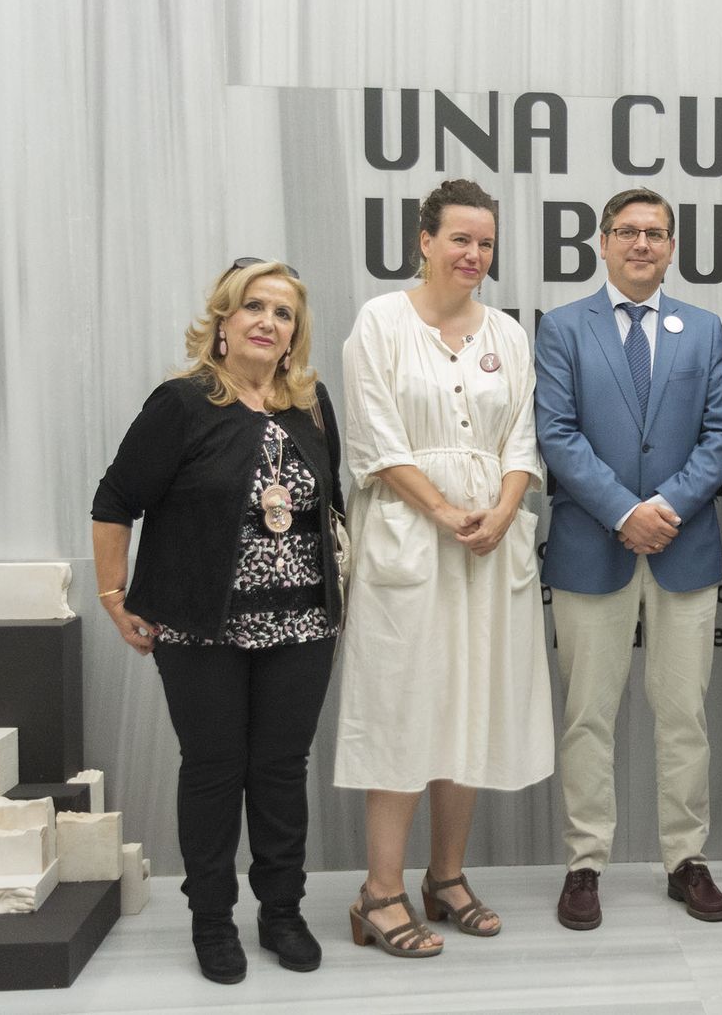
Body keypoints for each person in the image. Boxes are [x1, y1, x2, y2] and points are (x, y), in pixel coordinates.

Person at [91, 257, 343, 984]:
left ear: (295, 334)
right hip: (203, 628)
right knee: (212, 769)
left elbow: (332, 505)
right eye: (253, 308)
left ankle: (282, 912)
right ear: (224, 323)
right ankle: (210, 920)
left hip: (301, 627)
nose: (268, 321)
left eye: (283, 313)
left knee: (280, 770)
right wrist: (115, 596)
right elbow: (115, 500)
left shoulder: (311, 401)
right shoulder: (182, 403)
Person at [333, 179, 552, 957]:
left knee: (471, 704)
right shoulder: (380, 322)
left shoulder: (508, 334)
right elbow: (374, 439)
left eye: (486, 243)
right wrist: (442, 509)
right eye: (460, 238)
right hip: (410, 540)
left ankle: (446, 877)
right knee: (401, 707)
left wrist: (499, 512)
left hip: (490, 546)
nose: (474, 255)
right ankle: (379, 892)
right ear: (424, 240)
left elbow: (522, 439)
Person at [534, 188, 722, 930]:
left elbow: (721, 436)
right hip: (594, 546)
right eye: (628, 231)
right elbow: (555, 433)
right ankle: (585, 862)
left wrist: (667, 510)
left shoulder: (703, 329)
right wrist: (624, 511)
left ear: (673, 246)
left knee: (683, 713)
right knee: (587, 715)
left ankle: (685, 860)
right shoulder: (562, 328)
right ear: (603, 241)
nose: (642, 243)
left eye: (656, 233)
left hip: (682, 548)